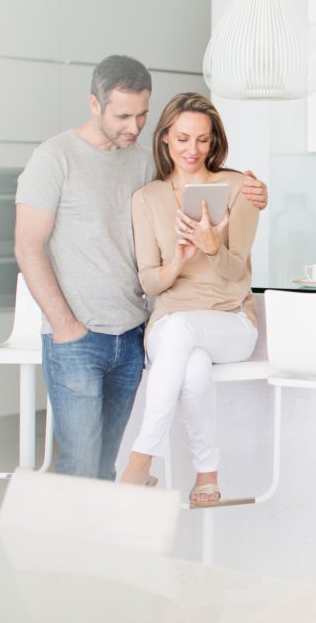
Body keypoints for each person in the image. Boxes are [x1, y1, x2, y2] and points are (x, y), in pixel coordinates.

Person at [14, 55, 268, 480]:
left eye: (142, 115)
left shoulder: (141, 163)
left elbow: (192, 173)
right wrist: (64, 325)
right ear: (94, 104)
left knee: (102, 465)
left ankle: (108, 539)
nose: (134, 127)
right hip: (77, 337)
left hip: (132, 335)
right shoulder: (54, 158)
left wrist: (252, 191)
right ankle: (71, 538)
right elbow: (27, 246)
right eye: (123, 116)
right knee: (79, 464)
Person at [120, 92, 258, 507]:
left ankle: (139, 463)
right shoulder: (147, 199)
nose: (192, 150)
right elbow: (149, 283)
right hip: (169, 323)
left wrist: (214, 247)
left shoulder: (239, 189)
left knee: (185, 332)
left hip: (231, 321)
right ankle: (207, 472)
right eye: (182, 139)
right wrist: (177, 263)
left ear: (214, 141)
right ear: (165, 139)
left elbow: (238, 273)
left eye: (202, 140)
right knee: (191, 362)